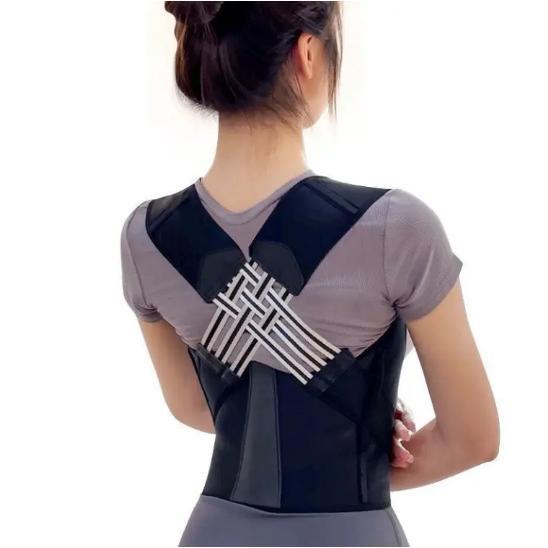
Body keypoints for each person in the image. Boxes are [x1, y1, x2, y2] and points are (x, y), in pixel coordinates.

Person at [120, 2, 499, 546]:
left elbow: (195, 407)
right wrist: (350, 445)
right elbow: (473, 438)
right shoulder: (394, 227)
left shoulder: (145, 237)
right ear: (307, 52)